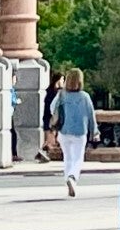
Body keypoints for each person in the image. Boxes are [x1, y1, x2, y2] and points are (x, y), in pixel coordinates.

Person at [49, 68, 100, 197]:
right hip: (80, 131)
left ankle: (68, 179)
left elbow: (52, 108)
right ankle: (72, 177)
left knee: (68, 157)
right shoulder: (84, 97)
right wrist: (94, 131)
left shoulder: (61, 95)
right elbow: (91, 115)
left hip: (64, 131)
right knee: (78, 158)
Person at [38, 72, 64, 163]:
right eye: (62, 79)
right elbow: (51, 108)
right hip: (50, 119)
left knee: (51, 141)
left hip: (51, 119)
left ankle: (43, 154)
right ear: (58, 80)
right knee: (50, 141)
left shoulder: (55, 92)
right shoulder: (52, 92)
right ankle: (42, 153)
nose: (63, 82)